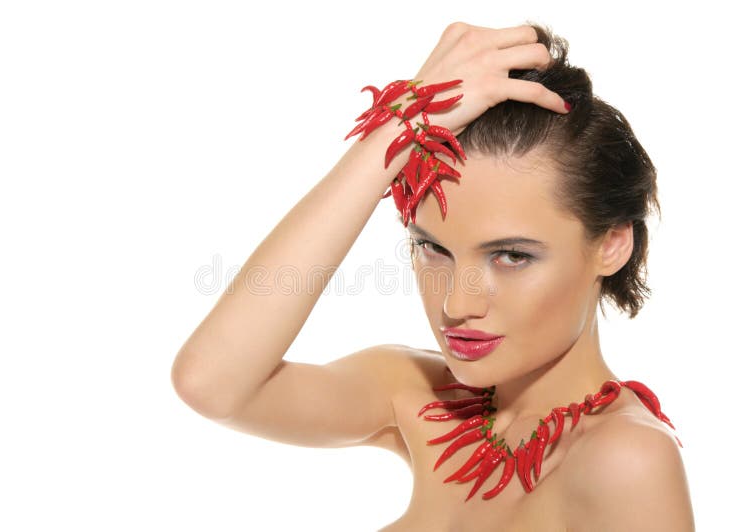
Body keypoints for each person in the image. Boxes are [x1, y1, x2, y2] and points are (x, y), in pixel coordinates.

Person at [170, 22, 695, 531]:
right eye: (432, 248)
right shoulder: (414, 396)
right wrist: (399, 127)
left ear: (612, 244)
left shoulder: (627, 459)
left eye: (511, 256)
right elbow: (211, 383)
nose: (456, 305)